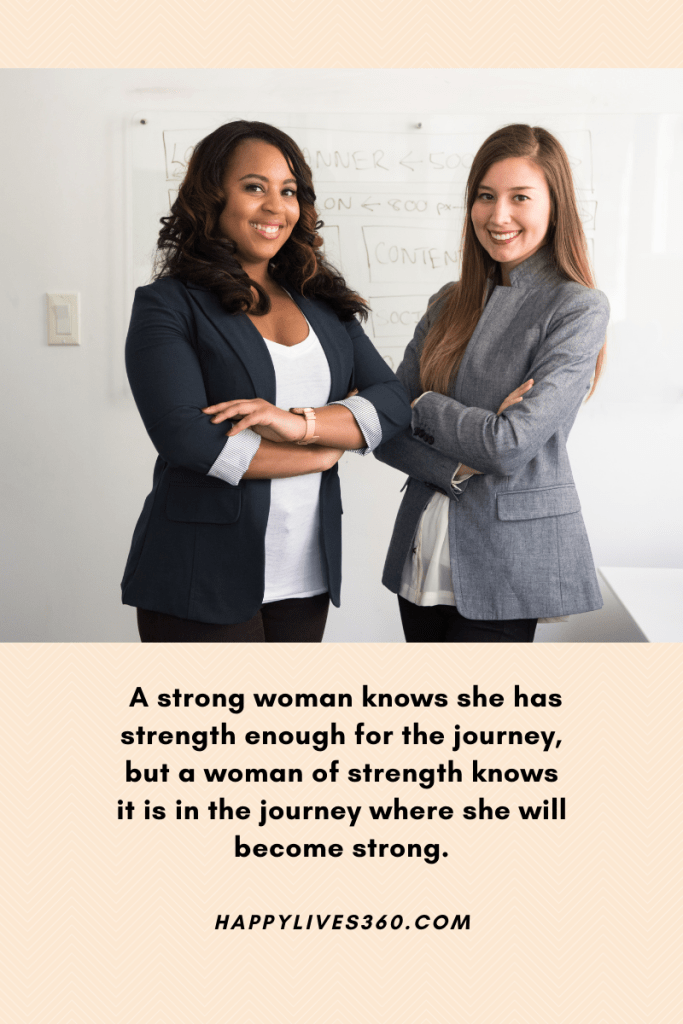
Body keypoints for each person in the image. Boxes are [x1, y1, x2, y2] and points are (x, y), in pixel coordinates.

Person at [122, 120, 411, 642]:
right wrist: (322, 452)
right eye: (255, 187)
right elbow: (188, 439)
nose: (276, 206)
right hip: (199, 573)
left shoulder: (323, 303)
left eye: (289, 191)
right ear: (212, 197)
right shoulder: (168, 304)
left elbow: (392, 403)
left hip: (305, 574)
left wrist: (297, 425)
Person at [375, 124, 609, 643]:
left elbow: (508, 446)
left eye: (519, 197)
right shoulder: (447, 301)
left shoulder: (576, 307)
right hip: (421, 548)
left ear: (555, 205)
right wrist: (456, 459)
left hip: (506, 559)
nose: (497, 215)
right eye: (485, 196)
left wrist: (424, 404)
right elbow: (387, 430)